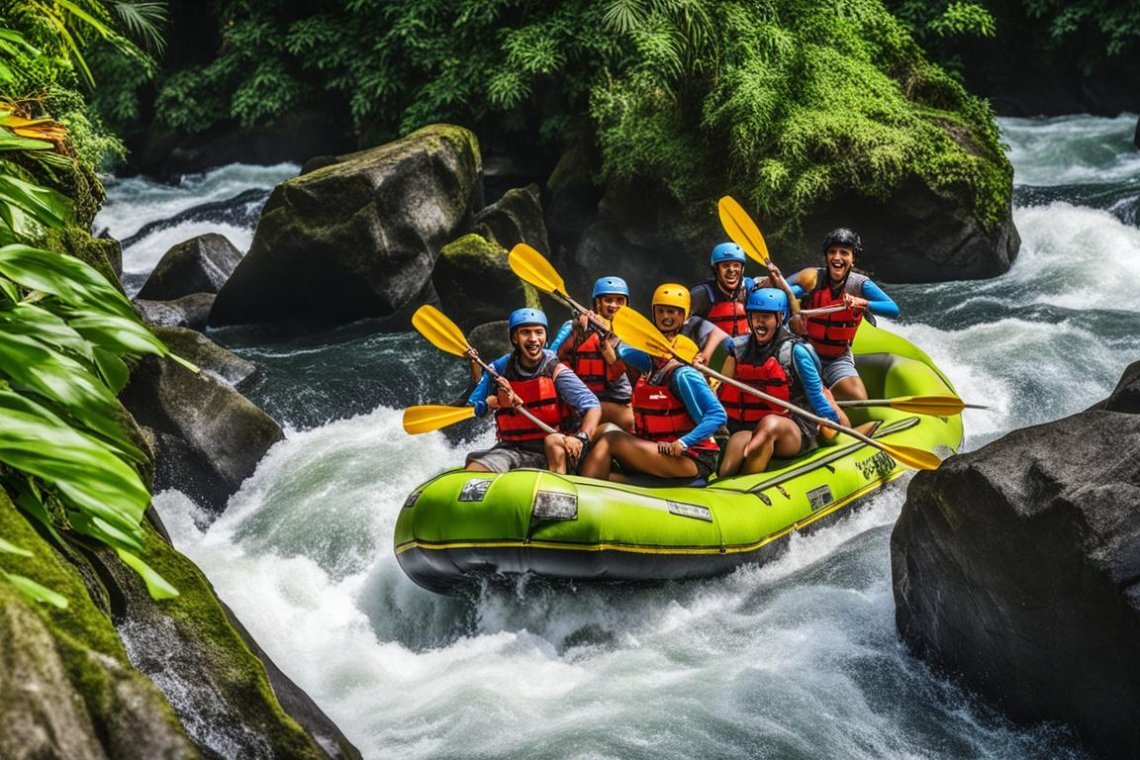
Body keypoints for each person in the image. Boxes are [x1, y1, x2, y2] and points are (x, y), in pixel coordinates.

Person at [579, 284, 726, 483]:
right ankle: (578, 476)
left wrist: (683, 443)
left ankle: (584, 489)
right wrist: (603, 322)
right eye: (661, 311)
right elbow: (624, 349)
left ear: (684, 317)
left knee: (612, 439)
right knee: (605, 430)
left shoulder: (683, 374)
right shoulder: (650, 363)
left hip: (689, 456)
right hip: (656, 448)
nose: (666, 316)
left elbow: (718, 415)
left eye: (672, 312)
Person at [716, 288, 842, 477]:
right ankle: (722, 487)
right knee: (734, 449)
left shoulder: (796, 352)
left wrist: (830, 420)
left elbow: (815, 394)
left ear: (780, 317)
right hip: (749, 426)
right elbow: (720, 390)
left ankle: (749, 486)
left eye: (766, 316)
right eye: (755, 316)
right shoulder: (738, 350)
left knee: (770, 425)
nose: (759, 321)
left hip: (794, 427)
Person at [465, 308, 601, 474]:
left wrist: (582, 437)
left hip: (551, 449)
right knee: (474, 467)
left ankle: (554, 492)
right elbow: (476, 406)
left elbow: (592, 405)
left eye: (539, 332)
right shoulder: (499, 369)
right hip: (511, 448)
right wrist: (491, 398)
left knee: (553, 443)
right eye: (525, 333)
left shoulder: (555, 371)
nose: (533, 339)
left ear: (545, 336)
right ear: (515, 337)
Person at [788, 228, 899, 401]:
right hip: (805, 351)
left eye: (844, 253)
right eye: (832, 252)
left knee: (858, 397)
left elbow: (893, 309)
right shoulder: (814, 279)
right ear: (826, 257)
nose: (837, 257)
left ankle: (823, 396)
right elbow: (786, 291)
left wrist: (863, 303)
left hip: (837, 357)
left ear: (853, 259)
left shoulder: (860, 284)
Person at [548, 276, 634, 431]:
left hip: (616, 402)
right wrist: (577, 336)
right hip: (581, 401)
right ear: (597, 302)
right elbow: (549, 358)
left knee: (631, 419)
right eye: (608, 300)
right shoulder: (573, 326)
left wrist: (612, 354)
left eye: (620, 300)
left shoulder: (632, 335)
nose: (614, 305)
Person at [689, 242, 756, 338]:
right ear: (716, 269)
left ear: (742, 269)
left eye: (736, 265)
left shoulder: (749, 288)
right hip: (710, 348)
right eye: (725, 265)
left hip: (743, 348)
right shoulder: (701, 295)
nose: (731, 270)